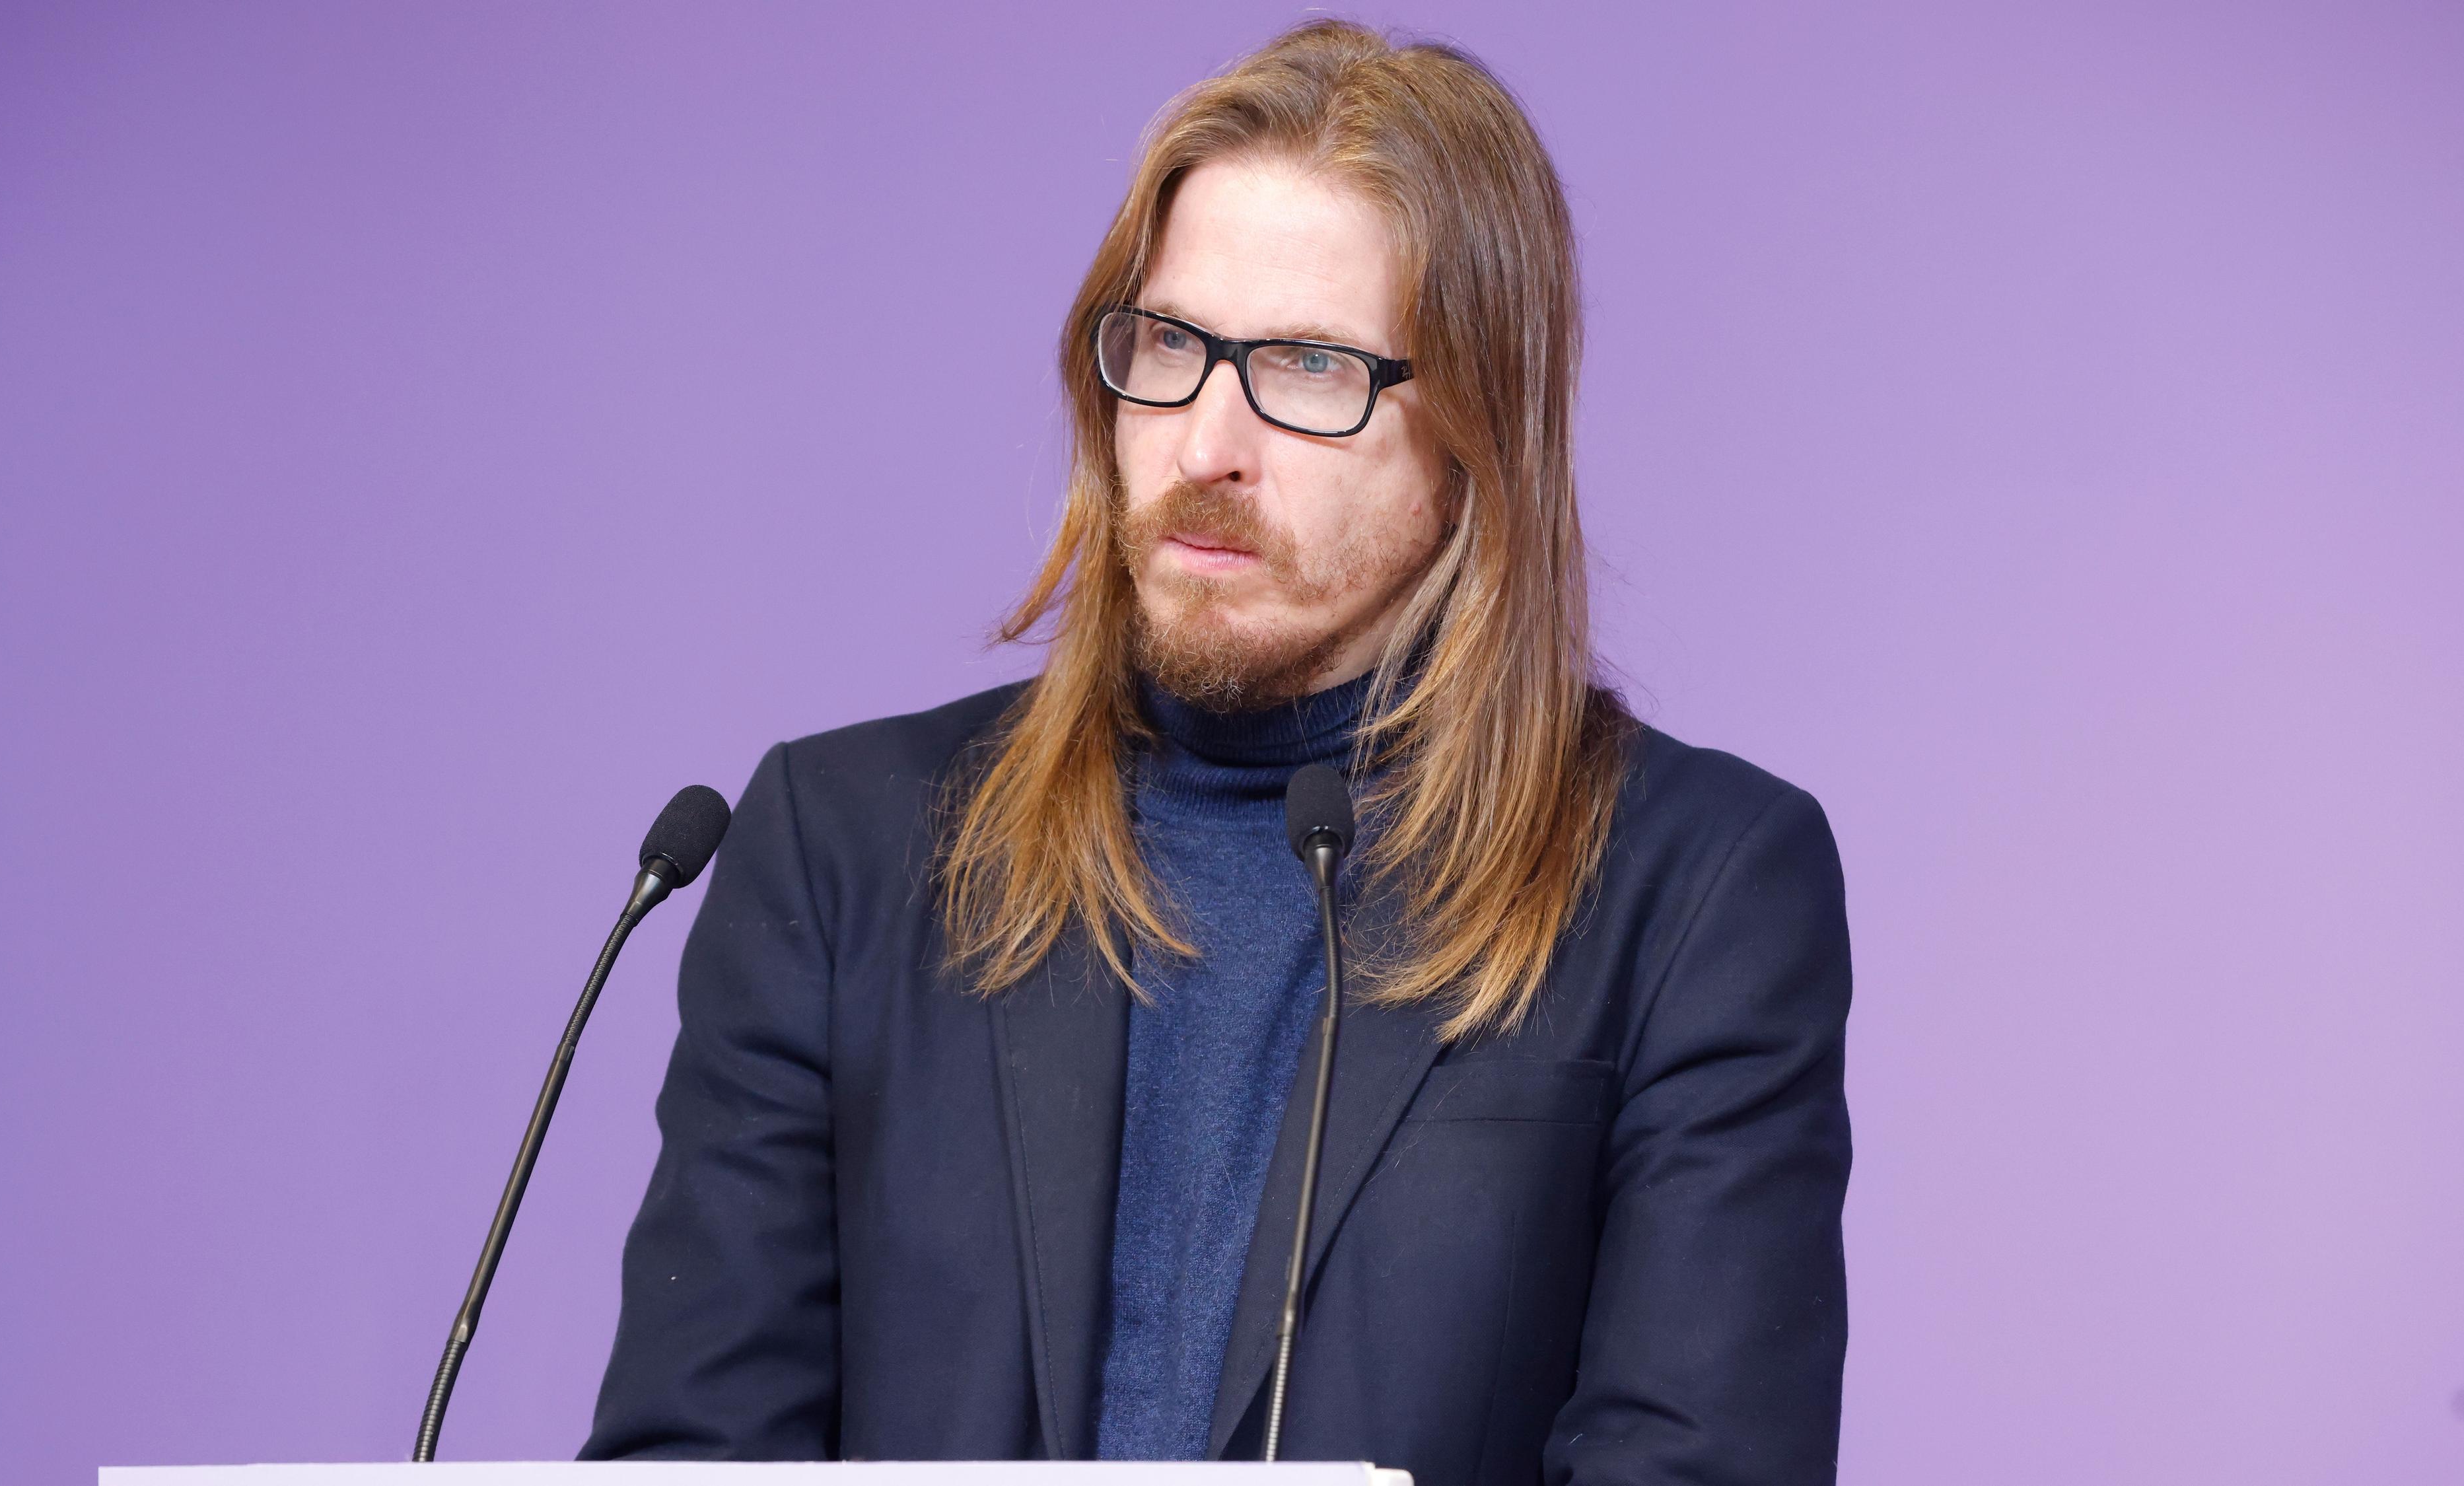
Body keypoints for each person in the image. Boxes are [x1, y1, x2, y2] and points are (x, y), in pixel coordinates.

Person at [584, 20, 1850, 1486]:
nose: (1204, 447)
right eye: (1171, 346)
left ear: (1475, 440)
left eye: (1309, 366)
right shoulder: (839, 852)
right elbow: (691, 1455)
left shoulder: (1697, 893)